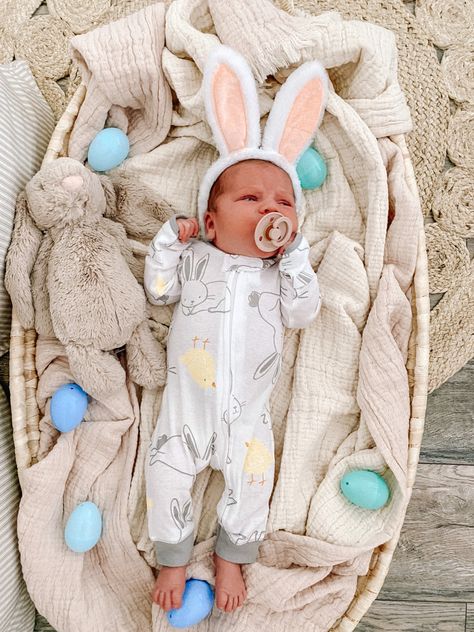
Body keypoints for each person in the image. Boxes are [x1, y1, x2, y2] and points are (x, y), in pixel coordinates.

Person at [144, 44, 328, 615]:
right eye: (250, 198)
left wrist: (295, 258)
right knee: (166, 473)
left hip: (249, 417)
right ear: (212, 218)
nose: (270, 209)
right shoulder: (199, 255)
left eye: (283, 202)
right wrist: (169, 244)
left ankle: (232, 555)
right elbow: (160, 291)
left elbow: (304, 313)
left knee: (252, 486)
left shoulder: (283, 273)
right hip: (187, 411)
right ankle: (171, 555)